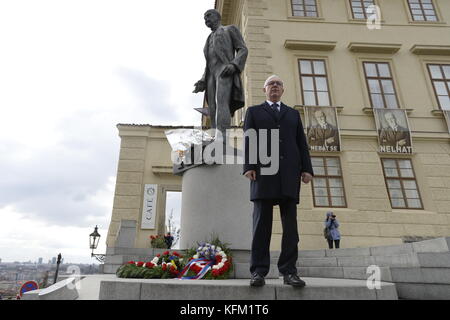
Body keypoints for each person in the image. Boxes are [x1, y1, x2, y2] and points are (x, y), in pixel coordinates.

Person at [243, 75, 314, 288]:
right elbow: (249, 139)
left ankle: (289, 272)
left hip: (289, 175)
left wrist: (307, 169)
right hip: (263, 173)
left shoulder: (293, 114)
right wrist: (249, 166)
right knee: (261, 226)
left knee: (290, 228)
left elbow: (301, 143)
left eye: (278, 84)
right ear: (264, 89)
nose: (275, 86)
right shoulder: (253, 112)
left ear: (282, 90)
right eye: (271, 84)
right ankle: (258, 272)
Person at [193, 9, 248, 138]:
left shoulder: (230, 29)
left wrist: (234, 65)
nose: (206, 19)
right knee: (212, 108)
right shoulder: (208, 39)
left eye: (208, 15)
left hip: (224, 71)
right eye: (204, 17)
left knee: (221, 102)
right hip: (211, 75)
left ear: (217, 16)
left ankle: (222, 139)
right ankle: (214, 137)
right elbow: (209, 62)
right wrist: (202, 80)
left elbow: (243, 49)